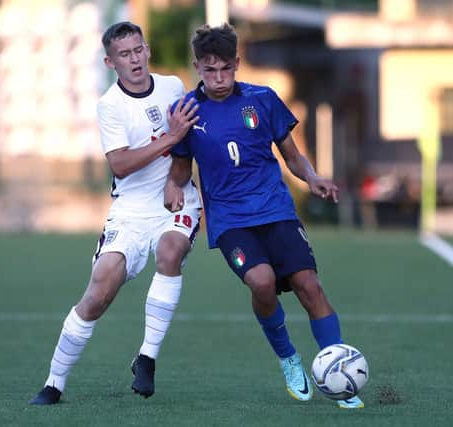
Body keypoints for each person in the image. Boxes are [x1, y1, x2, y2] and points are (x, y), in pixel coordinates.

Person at [164, 23, 364, 409]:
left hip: (275, 209)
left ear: (237, 63)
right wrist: (173, 187)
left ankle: (339, 374)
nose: (219, 78)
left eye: (226, 69)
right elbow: (180, 169)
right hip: (230, 222)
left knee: (310, 286)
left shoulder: (263, 99)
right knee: (262, 282)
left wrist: (313, 178)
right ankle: (289, 358)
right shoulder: (185, 112)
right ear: (197, 67)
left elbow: (292, 157)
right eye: (210, 70)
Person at [29, 21, 201, 405]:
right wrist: (170, 138)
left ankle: (147, 358)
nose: (134, 58)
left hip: (176, 202)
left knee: (170, 252)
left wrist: (177, 177)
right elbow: (120, 164)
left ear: (148, 51)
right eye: (124, 54)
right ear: (110, 62)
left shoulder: (174, 87)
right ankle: (54, 383)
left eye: (138, 49)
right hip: (129, 210)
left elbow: (189, 144)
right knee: (99, 290)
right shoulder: (110, 106)